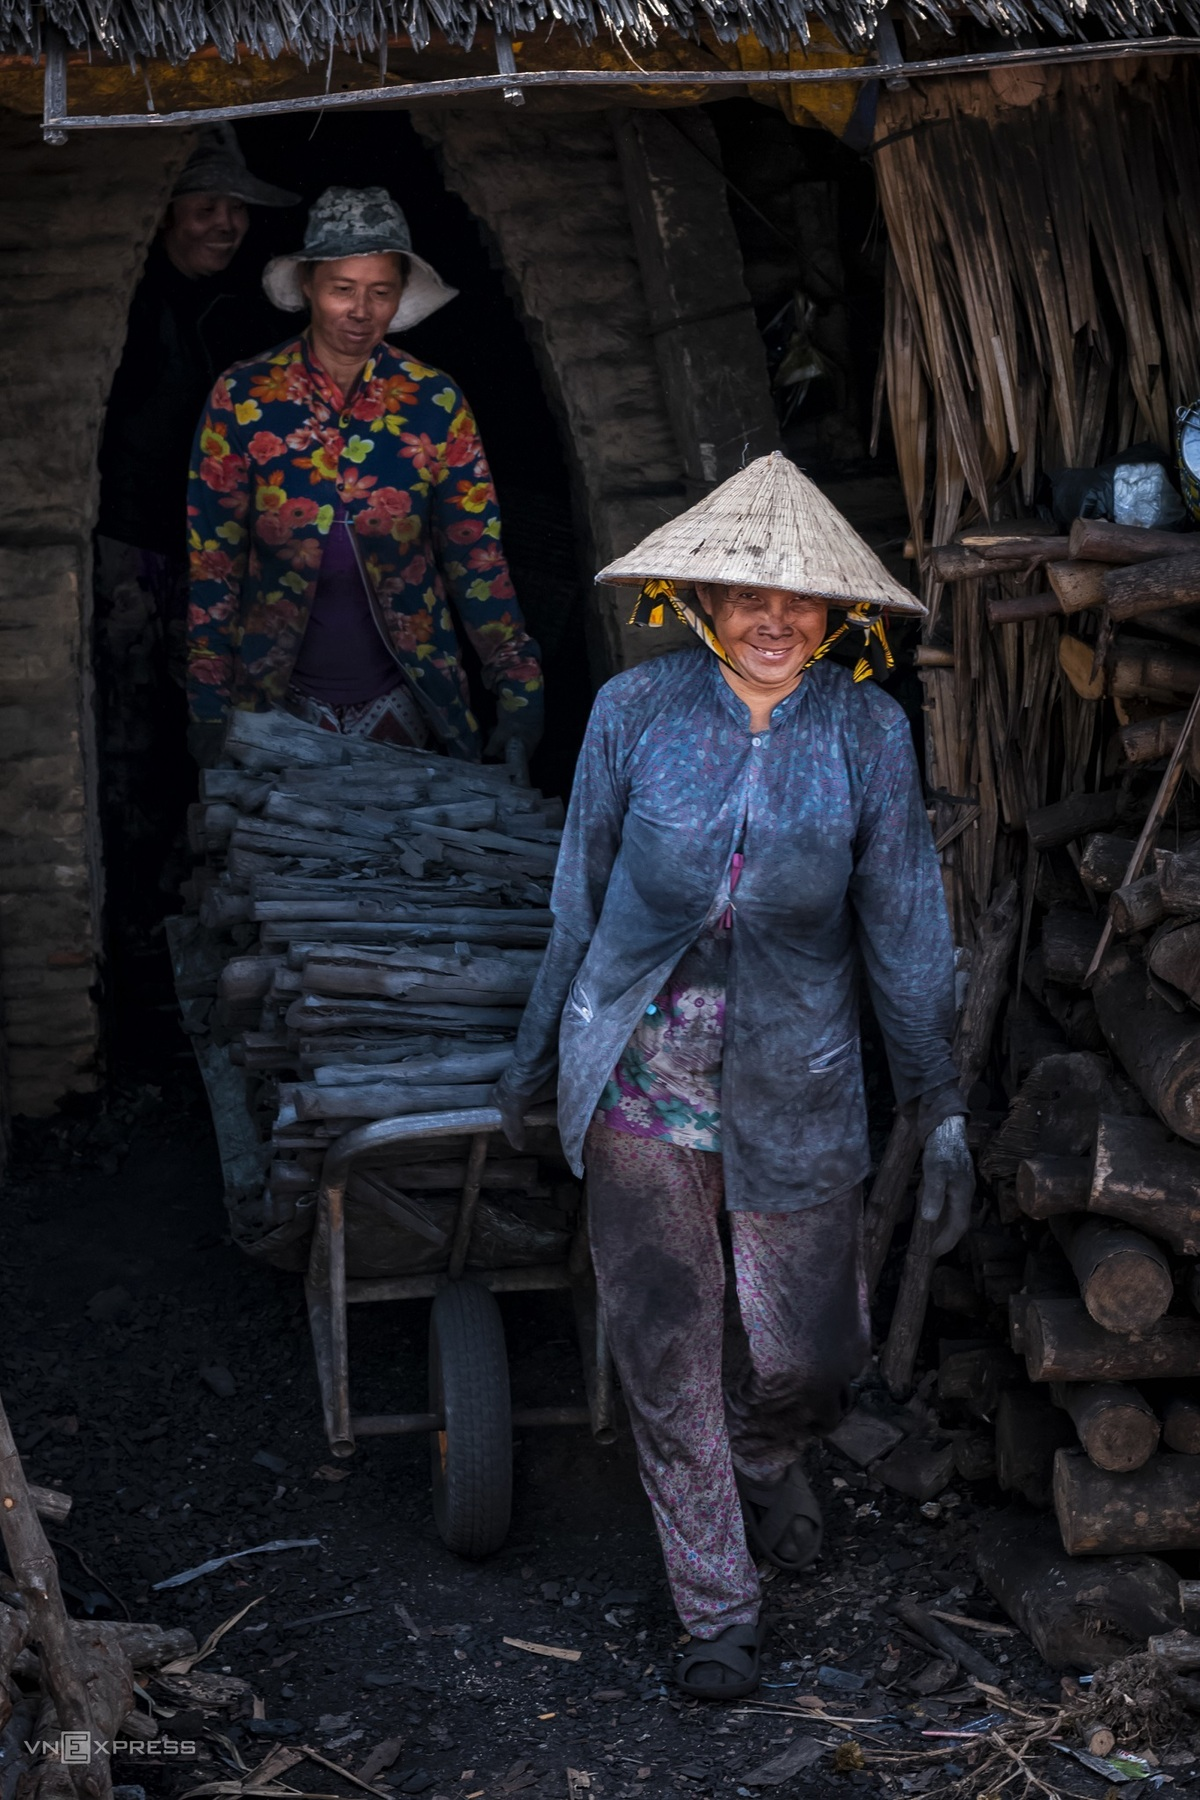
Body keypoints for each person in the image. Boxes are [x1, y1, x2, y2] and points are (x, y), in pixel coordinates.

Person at [493, 453, 974, 1700]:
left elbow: (909, 926)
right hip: (643, 1080)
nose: (774, 620)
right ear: (699, 597)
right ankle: (718, 1611)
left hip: (799, 1084)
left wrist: (943, 1100)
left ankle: (766, 1460)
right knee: (665, 1345)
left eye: (801, 601)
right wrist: (539, 1058)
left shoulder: (866, 729)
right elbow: (577, 902)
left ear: (834, 615)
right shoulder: (633, 716)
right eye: (746, 595)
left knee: (809, 1356)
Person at [186, 185, 544, 767]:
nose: (361, 311)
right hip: (275, 704)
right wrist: (206, 708)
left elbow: (477, 558)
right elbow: (213, 564)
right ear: (308, 286)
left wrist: (520, 695)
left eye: (380, 292)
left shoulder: (434, 401)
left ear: (401, 295)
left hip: (408, 699)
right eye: (342, 290)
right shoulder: (244, 397)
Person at [93, 127, 297, 978]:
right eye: (206, 207)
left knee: (210, 713)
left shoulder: (234, 311)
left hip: (212, 551)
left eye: (236, 210)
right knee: (132, 721)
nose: (225, 224)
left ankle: (201, 886)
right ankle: (136, 908)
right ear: (164, 212)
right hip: (133, 546)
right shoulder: (133, 309)